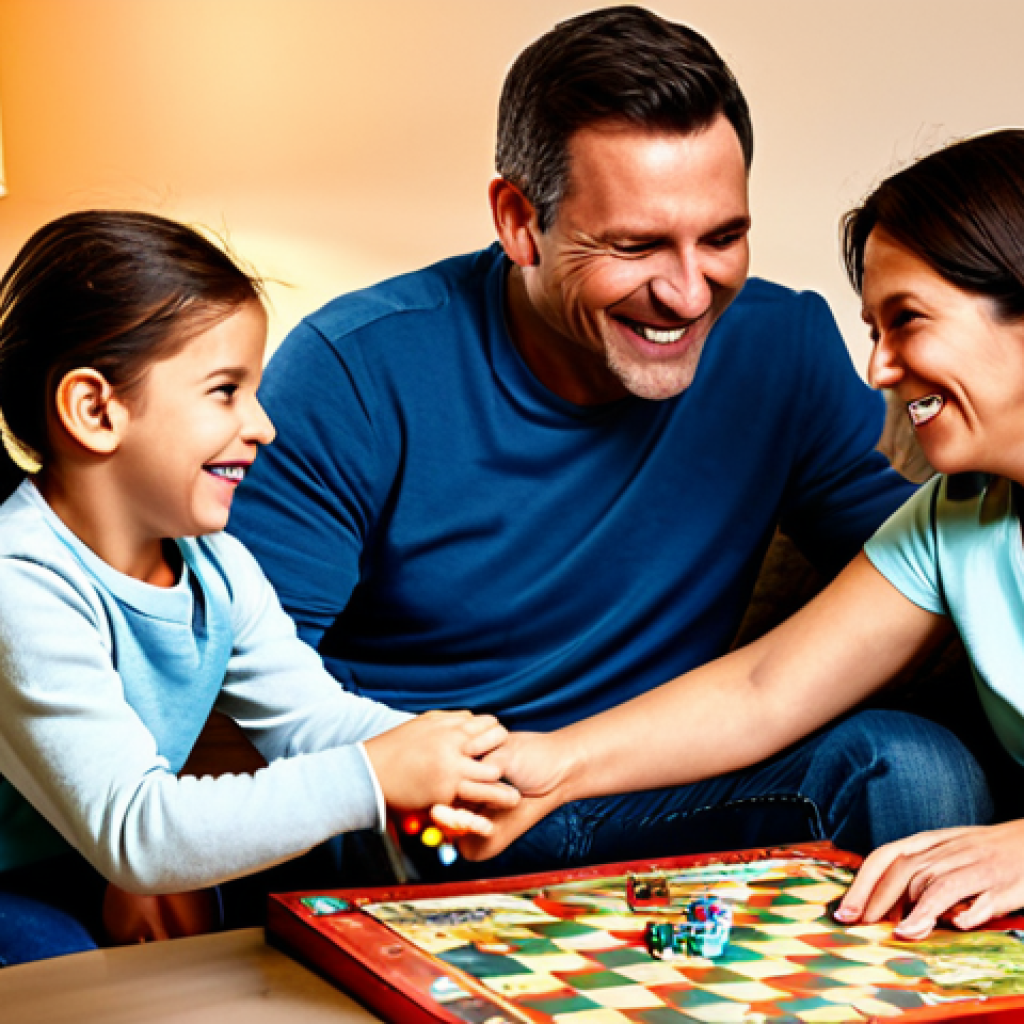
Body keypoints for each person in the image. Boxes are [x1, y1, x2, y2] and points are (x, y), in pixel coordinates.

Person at [229, 6, 986, 874]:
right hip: (442, 812)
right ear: (520, 221)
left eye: (724, 237)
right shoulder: (353, 372)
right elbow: (248, 673)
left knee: (914, 770)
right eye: (635, 246)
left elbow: (925, 575)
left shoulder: (784, 347)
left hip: (667, 785)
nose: (691, 293)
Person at [464, 129, 1024, 938]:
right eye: (874, 329)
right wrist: (557, 765)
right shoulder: (956, 516)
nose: (879, 370)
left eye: (907, 321)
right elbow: (766, 688)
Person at [0, 210, 518, 966]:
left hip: (103, 852)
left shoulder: (217, 566)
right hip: (21, 880)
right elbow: (138, 829)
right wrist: (372, 775)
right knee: (59, 971)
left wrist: (453, 751)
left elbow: (309, 719)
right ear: (95, 409)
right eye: (225, 391)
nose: (264, 426)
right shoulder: (21, 581)